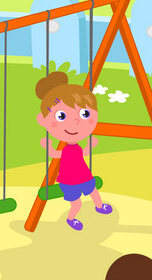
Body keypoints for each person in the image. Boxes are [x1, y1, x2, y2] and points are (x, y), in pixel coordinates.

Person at [35, 71, 111, 231]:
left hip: (85, 176)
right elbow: (56, 155)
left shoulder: (75, 147)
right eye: (61, 116)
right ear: (43, 120)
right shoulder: (66, 150)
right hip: (69, 181)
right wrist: (48, 146)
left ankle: (100, 206)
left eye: (84, 114)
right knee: (76, 203)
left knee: (94, 193)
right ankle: (72, 218)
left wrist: (90, 146)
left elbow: (83, 153)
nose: (75, 121)